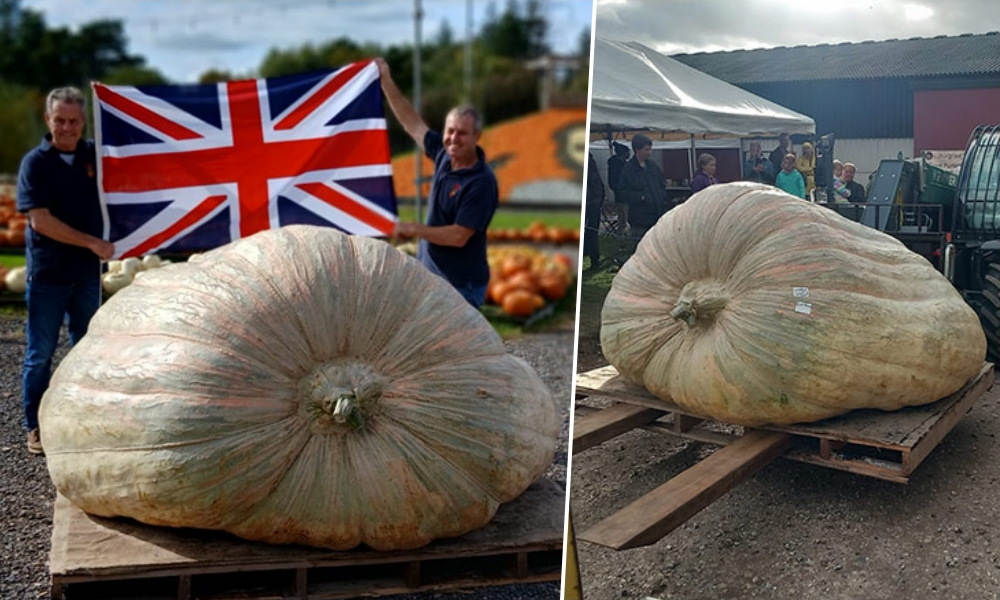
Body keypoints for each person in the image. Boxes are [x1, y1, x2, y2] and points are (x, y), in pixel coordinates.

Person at [16, 87, 115, 455]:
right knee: (40, 353)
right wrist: (92, 243)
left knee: (88, 349)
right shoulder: (35, 164)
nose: (67, 127)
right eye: (60, 120)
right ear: (48, 119)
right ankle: (35, 426)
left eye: (74, 121)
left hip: (87, 274)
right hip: (49, 274)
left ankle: (81, 420)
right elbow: (40, 221)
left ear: (84, 121)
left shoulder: (96, 156)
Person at [375, 58, 498, 308]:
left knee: (449, 347)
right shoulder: (444, 154)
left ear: (477, 136)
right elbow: (412, 124)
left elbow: (458, 236)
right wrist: (386, 81)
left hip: (461, 287)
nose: (453, 138)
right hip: (431, 278)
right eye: (450, 131)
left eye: (462, 133)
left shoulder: (481, 182)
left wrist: (415, 230)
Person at [616, 134, 667, 240]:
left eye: (650, 149)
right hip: (640, 219)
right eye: (646, 150)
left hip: (657, 214)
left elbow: (662, 183)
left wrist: (662, 197)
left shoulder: (653, 166)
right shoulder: (628, 170)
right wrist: (641, 197)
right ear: (637, 150)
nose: (650, 152)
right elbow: (622, 193)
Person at [584, 152, 605, 272]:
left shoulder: (589, 163)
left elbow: (596, 183)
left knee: (591, 232)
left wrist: (596, 202)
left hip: (591, 203)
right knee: (591, 232)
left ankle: (594, 258)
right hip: (592, 202)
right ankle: (593, 257)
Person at [606, 142, 630, 233]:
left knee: (623, 218)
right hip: (622, 196)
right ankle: (621, 238)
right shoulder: (617, 167)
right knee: (623, 219)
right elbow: (614, 183)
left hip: (622, 196)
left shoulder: (620, 165)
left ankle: (622, 238)